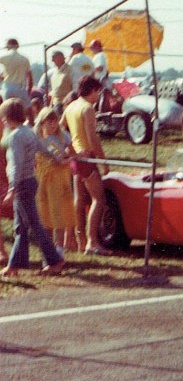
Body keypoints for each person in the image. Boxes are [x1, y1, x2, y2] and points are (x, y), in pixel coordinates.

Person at [0, 99, 65, 277]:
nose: (3, 120)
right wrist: (59, 157)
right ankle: (14, 265)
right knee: (21, 226)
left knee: (34, 225)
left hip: (21, 184)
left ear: (7, 117)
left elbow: (16, 164)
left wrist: (12, 188)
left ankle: (55, 260)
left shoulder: (14, 137)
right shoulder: (29, 132)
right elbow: (44, 148)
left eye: (3, 117)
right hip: (30, 180)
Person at [62, 76, 111, 256]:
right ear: (92, 90)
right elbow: (92, 138)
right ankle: (92, 242)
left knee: (80, 199)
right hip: (86, 158)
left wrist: (69, 149)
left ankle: (79, 239)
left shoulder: (71, 106)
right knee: (99, 199)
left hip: (76, 158)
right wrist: (103, 161)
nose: (98, 96)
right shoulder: (87, 108)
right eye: (98, 92)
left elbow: (60, 129)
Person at [34, 107, 77, 252]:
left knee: (60, 213)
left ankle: (58, 250)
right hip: (45, 180)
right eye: (49, 122)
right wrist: (67, 158)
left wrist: (71, 155)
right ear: (41, 122)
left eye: (55, 122)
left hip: (60, 179)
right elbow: (59, 160)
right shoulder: (40, 139)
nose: (53, 125)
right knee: (46, 213)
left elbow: (72, 152)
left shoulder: (62, 135)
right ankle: (48, 249)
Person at [0, 39, 33, 109]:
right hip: (21, 88)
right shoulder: (25, 59)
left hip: (8, 88)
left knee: (7, 111)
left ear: (8, 45)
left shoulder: (4, 57)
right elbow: (30, 78)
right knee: (28, 111)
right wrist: (28, 92)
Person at [38, 50, 73, 115]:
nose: (52, 60)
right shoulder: (55, 72)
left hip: (65, 104)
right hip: (55, 103)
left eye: (53, 58)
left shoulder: (70, 70)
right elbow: (54, 89)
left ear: (60, 58)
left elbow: (74, 86)